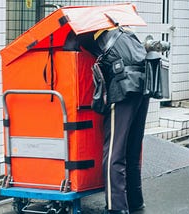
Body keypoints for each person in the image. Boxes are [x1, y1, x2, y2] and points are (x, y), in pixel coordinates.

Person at [78, 26, 149, 214]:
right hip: (143, 86)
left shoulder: (87, 34)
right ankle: (135, 201)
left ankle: (116, 207)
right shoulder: (124, 32)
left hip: (123, 89)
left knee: (113, 152)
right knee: (132, 149)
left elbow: (72, 48)